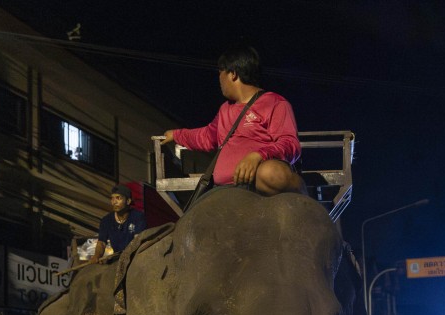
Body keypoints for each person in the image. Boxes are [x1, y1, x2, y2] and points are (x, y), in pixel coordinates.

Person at [162, 46, 305, 196]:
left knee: (269, 172)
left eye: (220, 73)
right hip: (225, 190)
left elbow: (290, 144)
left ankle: (304, 202)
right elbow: (206, 136)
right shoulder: (225, 109)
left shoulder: (275, 103)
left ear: (233, 74)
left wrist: (258, 156)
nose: (219, 80)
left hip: (259, 185)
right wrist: (176, 135)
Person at [90, 185, 147, 264]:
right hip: (117, 258)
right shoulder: (106, 220)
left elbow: (137, 240)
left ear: (128, 201)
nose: (114, 202)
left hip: (134, 257)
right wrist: (97, 256)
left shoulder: (138, 217)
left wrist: (126, 255)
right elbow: (102, 243)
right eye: (112, 198)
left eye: (118, 198)